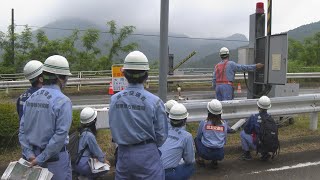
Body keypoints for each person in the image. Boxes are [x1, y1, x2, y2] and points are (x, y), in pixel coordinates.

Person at [109, 51, 168, 180]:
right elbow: (162, 135)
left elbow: (113, 127)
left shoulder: (114, 99)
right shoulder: (155, 102)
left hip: (123, 153)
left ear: (124, 74)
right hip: (147, 153)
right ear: (146, 75)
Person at [19, 55, 73, 180]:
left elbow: (22, 130)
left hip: (33, 157)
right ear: (60, 78)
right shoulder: (63, 101)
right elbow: (60, 135)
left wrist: (30, 154)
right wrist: (41, 158)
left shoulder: (30, 98)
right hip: (55, 160)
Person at [159, 103, 195, 180]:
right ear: (185, 119)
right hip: (168, 175)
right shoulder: (187, 136)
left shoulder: (163, 131)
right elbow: (189, 160)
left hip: (154, 171)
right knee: (191, 166)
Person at [73, 107, 109, 180]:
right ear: (94, 121)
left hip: (74, 163)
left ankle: (82, 176)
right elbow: (97, 152)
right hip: (82, 166)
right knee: (106, 168)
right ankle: (87, 177)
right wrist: (105, 161)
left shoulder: (79, 131)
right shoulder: (89, 135)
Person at [240, 96, 278, 161]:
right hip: (271, 145)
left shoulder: (254, 117)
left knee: (242, 133)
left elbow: (247, 130)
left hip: (258, 144)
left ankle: (247, 154)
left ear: (258, 106)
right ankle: (265, 153)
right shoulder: (270, 118)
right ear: (268, 107)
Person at [194, 99, 228, 169]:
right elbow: (224, 139)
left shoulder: (204, 123)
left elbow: (199, 136)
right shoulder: (224, 124)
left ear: (208, 111)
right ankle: (215, 161)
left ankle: (201, 159)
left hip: (206, 153)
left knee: (196, 139)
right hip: (220, 154)